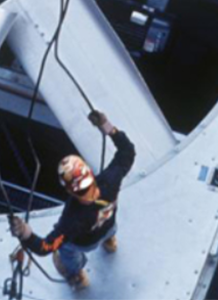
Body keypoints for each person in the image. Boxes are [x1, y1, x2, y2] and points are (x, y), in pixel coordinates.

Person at [8, 110, 135, 290]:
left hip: (85, 243)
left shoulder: (71, 220)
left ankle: (77, 275)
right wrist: (107, 126)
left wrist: (26, 234)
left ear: (69, 191)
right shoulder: (110, 180)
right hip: (108, 225)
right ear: (89, 173)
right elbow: (127, 151)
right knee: (109, 229)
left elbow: (46, 247)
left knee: (66, 252)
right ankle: (110, 242)